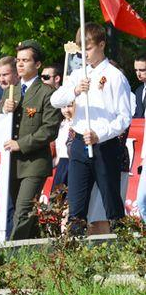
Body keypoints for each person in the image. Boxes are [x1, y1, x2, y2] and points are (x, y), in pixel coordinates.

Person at [50, 23, 132, 233]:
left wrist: (100, 134)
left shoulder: (115, 76)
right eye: (81, 49)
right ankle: (73, 252)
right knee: (77, 206)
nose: (84, 54)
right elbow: (55, 99)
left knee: (112, 204)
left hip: (104, 146)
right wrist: (75, 90)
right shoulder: (78, 74)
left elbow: (124, 118)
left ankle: (125, 250)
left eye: (88, 48)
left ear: (101, 45)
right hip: (79, 144)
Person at [0, 40, 61, 240]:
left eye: (25, 60)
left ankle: (12, 257)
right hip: (12, 163)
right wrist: (3, 111)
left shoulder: (46, 92)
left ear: (37, 64)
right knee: (26, 213)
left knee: (23, 210)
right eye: (18, 60)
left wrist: (21, 144)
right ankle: (36, 252)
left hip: (34, 162)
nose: (20, 64)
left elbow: (50, 129)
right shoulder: (10, 91)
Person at [132, 55, 146, 119]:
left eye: (142, 70)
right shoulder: (139, 91)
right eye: (136, 70)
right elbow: (138, 115)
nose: (138, 74)